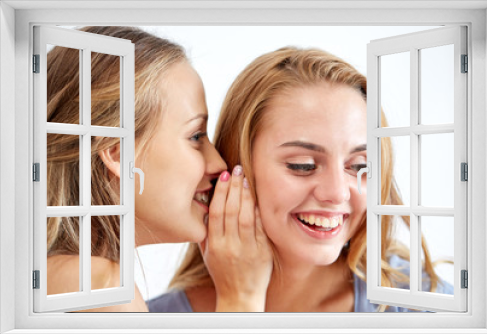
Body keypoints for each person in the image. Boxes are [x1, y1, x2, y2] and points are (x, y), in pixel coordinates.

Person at [148, 47, 452, 313]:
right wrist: (240, 304)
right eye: (302, 165)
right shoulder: (153, 320)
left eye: (360, 166)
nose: (336, 193)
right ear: (236, 165)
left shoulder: (424, 307)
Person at [46, 26, 270, 312]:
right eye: (196, 136)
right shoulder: (101, 289)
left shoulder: (66, 278)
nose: (218, 164)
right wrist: (241, 298)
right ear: (118, 152)